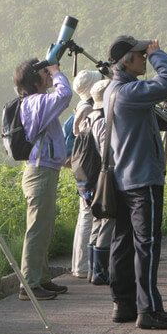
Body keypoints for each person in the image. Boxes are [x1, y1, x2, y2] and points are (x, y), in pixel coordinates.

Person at [104, 35, 167, 329]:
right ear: (126, 61)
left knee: (123, 242)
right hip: (142, 179)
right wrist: (159, 55)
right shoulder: (129, 91)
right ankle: (150, 310)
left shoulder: (115, 91)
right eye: (140, 54)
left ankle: (124, 304)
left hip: (123, 179)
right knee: (147, 245)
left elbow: (149, 116)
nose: (144, 58)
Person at [13, 59, 73, 300]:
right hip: (40, 172)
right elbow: (65, 95)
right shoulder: (35, 102)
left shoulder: (35, 102)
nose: (48, 75)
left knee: (44, 226)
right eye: (44, 73)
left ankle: (42, 277)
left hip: (44, 170)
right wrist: (58, 72)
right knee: (37, 228)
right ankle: (29, 284)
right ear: (34, 80)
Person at [70, 70, 104, 279]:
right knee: (88, 214)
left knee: (85, 213)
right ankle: (82, 265)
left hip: (82, 165)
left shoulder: (81, 107)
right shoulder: (89, 108)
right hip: (91, 165)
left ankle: (80, 264)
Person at [86, 78, 113, 285]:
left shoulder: (89, 116)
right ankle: (100, 271)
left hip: (92, 176)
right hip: (104, 175)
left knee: (97, 219)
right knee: (108, 219)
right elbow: (106, 150)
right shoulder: (103, 120)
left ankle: (92, 268)